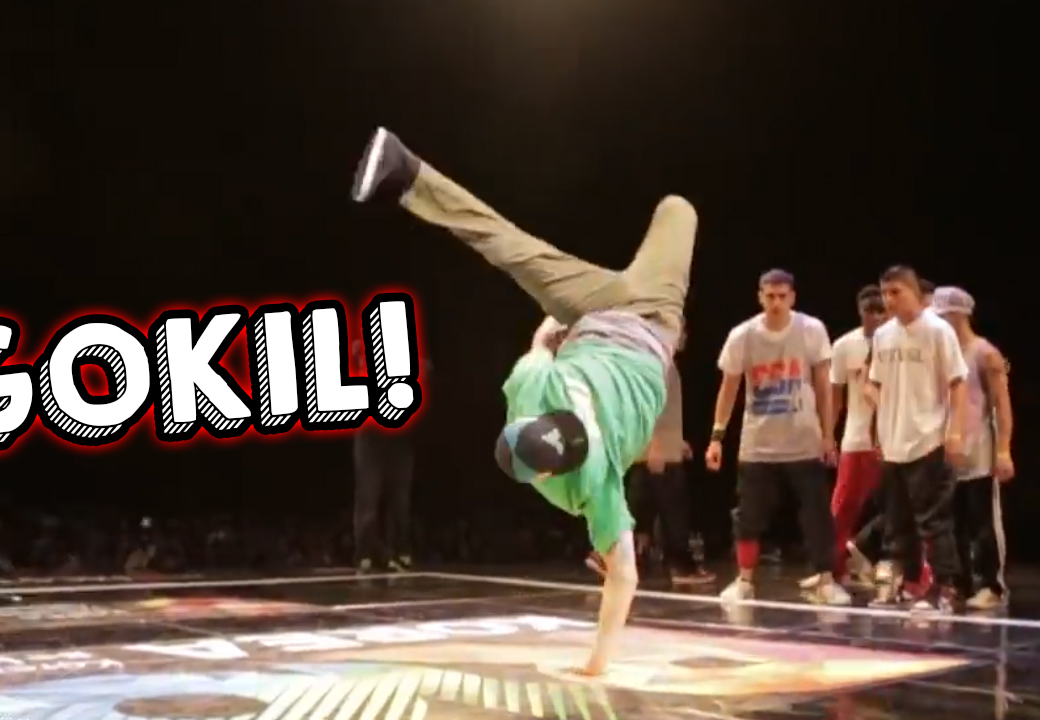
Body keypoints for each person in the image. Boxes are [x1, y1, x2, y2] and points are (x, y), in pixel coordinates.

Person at [351, 127, 696, 676]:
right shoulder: (573, 450)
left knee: (509, 244)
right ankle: (409, 172)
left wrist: (597, 665)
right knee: (674, 209)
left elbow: (625, 576)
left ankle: (405, 169)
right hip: (649, 315)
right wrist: (595, 665)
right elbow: (544, 337)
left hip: (600, 313)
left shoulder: (544, 411)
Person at [705, 269, 850, 605]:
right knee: (748, 516)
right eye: (770, 296)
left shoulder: (811, 329)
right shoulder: (743, 335)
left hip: (804, 441)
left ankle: (826, 580)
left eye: (782, 296)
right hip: (758, 444)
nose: (776, 303)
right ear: (760, 297)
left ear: (792, 297)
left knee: (816, 515)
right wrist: (716, 437)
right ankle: (744, 580)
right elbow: (729, 388)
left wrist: (828, 435)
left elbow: (824, 386)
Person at [867, 266, 969, 613]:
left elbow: (957, 382)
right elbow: (877, 384)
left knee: (933, 520)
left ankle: (945, 588)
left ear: (914, 292)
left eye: (896, 292)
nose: (889, 300)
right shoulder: (883, 335)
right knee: (898, 521)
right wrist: (878, 432)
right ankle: (911, 584)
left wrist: (955, 431)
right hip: (893, 440)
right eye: (885, 293)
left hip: (928, 437)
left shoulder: (938, 330)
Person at [609, 328, 715, 585]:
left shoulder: (662, 363)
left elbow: (667, 410)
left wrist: (676, 441)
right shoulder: (658, 364)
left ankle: (614, 557)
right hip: (659, 453)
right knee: (673, 511)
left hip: (662, 449)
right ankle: (681, 566)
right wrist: (657, 444)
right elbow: (651, 408)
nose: (684, 335)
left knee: (643, 508)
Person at [931, 286, 1014, 610]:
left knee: (981, 521)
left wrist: (1003, 450)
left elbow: (1001, 405)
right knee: (952, 523)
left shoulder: (984, 353)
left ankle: (990, 585)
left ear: (958, 315)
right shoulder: (942, 353)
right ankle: (960, 584)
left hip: (978, 449)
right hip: (947, 450)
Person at [824, 285, 889, 585]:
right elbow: (835, 396)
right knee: (844, 506)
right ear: (860, 311)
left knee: (900, 507)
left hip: (896, 439)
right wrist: (829, 436)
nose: (875, 317)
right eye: (869, 311)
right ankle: (832, 566)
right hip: (857, 437)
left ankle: (890, 564)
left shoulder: (898, 345)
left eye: (880, 311)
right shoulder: (844, 346)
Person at [351, 339, 430, 574]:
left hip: (399, 441)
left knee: (400, 501)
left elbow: (425, 368)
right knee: (368, 499)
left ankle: (400, 551)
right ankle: (365, 554)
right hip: (370, 441)